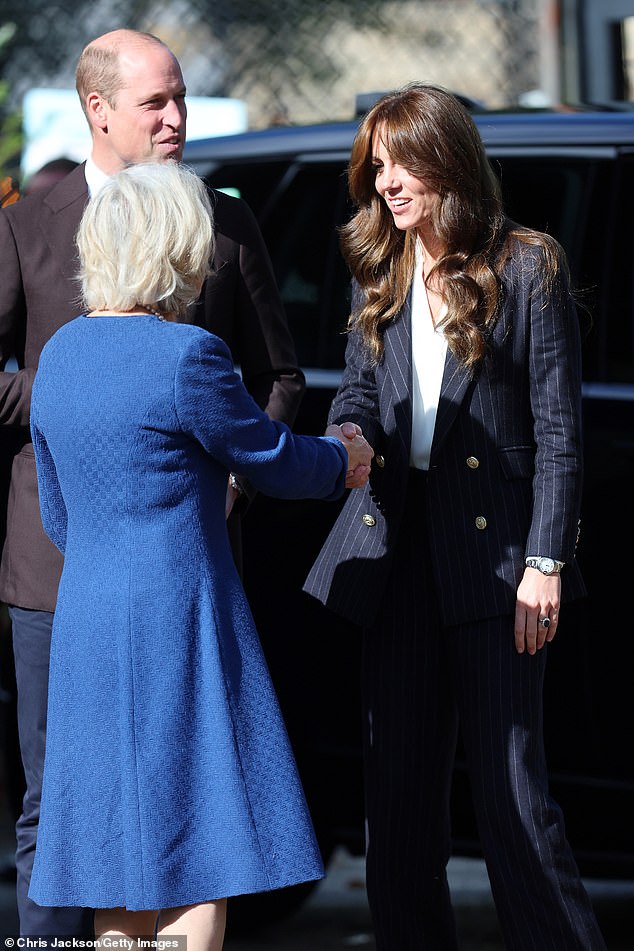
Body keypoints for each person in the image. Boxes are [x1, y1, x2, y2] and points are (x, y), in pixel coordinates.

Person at [0, 28, 305, 937]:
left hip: (185, 562)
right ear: (98, 112)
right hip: (54, 573)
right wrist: (62, 402)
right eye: (155, 103)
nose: (178, 119)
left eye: (182, 99)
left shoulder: (225, 217)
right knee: (60, 808)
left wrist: (237, 481)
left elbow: (277, 377)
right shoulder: (25, 224)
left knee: (190, 798)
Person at [27, 160, 372, 950]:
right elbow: (273, 458)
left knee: (115, 860)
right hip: (180, 621)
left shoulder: (60, 359)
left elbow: (57, 512)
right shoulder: (188, 356)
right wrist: (343, 459)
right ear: (174, 250)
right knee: (196, 851)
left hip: (86, 623)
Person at [304, 83, 607, 950]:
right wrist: (349, 435)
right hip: (394, 556)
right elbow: (355, 397)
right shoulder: (382, 267)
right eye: (377, 167)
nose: (387, 183)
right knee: (397, 804)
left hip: (497, 559)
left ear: (448, 160)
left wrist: (545, 560)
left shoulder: (527, 264)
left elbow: (558, 430)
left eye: (403, 163)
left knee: (514, 795)